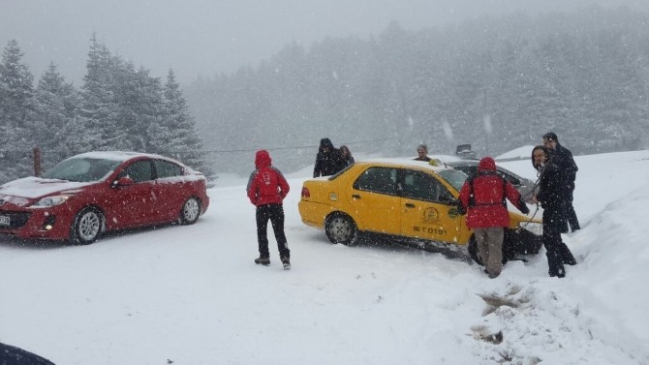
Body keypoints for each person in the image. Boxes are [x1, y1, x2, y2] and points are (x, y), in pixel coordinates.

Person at [458, 157, 529, 279]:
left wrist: (461, 208)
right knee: (495, 246)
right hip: (496, 218)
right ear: (493, 166)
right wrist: (523, 207)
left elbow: (463, 196)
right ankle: (494, 271)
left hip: (478, 219)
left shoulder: (472, 179)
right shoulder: (500, 179)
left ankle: (488, 267)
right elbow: (513, 195)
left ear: (480, 166)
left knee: (482, 245)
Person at [531, 145, 577, 278]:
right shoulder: (548, 168)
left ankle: (556, 271)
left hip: (554, 210)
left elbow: (554, 191)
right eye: (535, 156)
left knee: (550, 241)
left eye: (540, 155)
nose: (537, 158)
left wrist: (538, 197)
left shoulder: (550, 169)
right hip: (555, 209)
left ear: (546, 155)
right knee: (555, 239)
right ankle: (569, 261)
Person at [246, 150, 291, 269]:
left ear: (256, 160)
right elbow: (286, 187)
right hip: (276, 206)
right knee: (279, 232)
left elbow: (250, 191)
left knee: (262, 232)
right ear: (269, 159)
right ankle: (285, 257)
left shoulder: (255, 174)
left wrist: (257, 201)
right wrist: (280, 197)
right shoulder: (275, 171)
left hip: (262, 207)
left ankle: (264, 256)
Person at [543, 132, 580, 232]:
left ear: (555, 141)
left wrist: (567, 183)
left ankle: (575, 229)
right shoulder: (546, 155)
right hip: (553, 187)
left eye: (549, 142)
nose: (547, 144)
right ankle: (563, 231)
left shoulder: (564, 152)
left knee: (568, 207)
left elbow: (573, 169)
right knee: (557, 209)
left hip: (565, 185)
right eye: (545, 143)